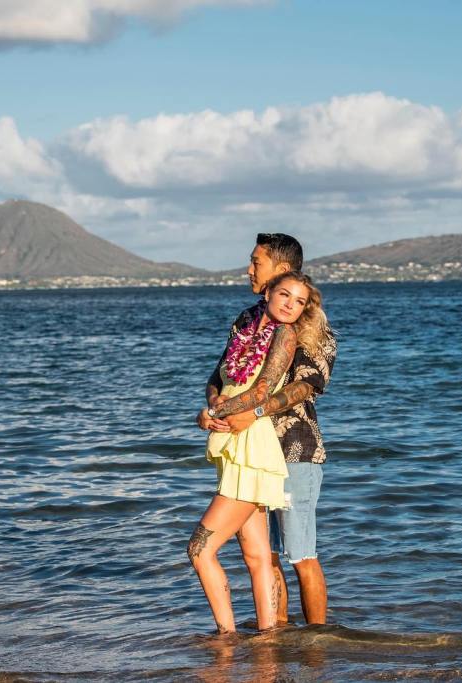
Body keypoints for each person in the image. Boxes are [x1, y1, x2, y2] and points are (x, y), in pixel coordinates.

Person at [198, 234, 337, 627]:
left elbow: (305, 386)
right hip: (248, 453)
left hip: (294, 450)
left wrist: (254, 412)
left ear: (281, 270)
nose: (248, 268)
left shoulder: (311, 328)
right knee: (264, 555)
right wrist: (213, 408)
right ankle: (275, 636)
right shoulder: (246, 320)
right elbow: (220, 373)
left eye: (256, 261)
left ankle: (315, 646)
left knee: (300, 554)